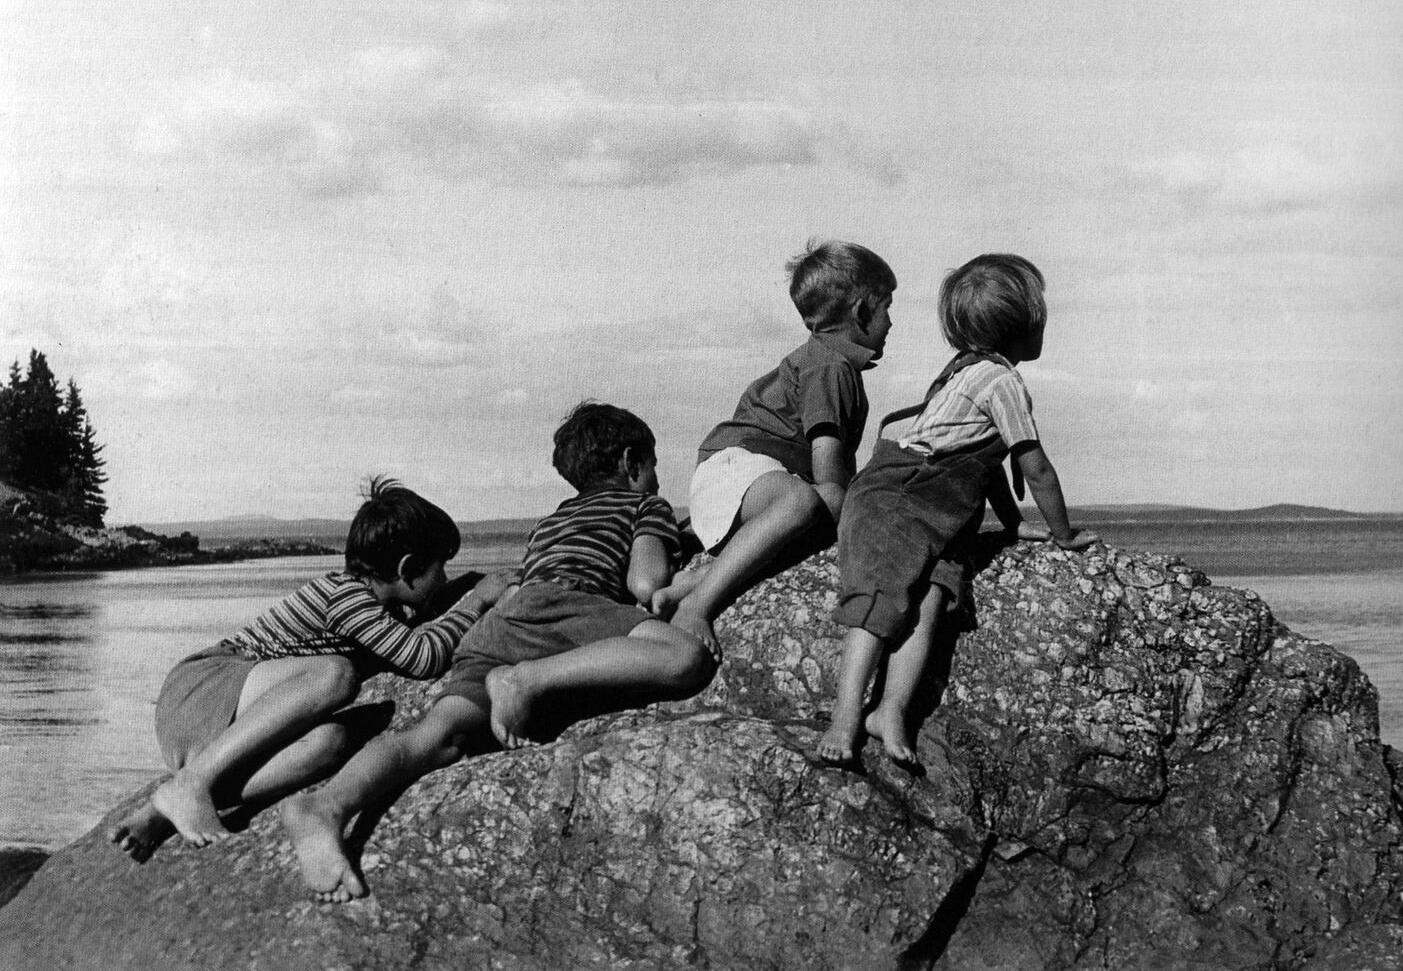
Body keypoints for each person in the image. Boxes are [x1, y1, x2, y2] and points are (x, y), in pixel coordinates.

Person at [280, 402, 713, 902]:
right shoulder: (645, 506)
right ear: (633, 461)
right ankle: (530, 679)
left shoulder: (551, 521)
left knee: (436, 736)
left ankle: (327, 806)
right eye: (655, 466)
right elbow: (645, 582)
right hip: (573, 606)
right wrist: (687, 574)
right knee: (684, 658)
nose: (658, 480)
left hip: (503, 622)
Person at [111, 478, 510, 860]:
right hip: (207, 686)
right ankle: (193, 781)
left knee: (329, 744)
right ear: (406, 569)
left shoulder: (377, 606)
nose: (445, 578)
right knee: (335, 675)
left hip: (227, 715)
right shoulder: (346, 597)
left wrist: (456, 596)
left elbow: (416, 630)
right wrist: (476, 603)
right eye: (441, 568)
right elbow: (422, 659)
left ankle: (167, 810)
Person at [818, 253, 1098, 767]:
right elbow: (1033, 467)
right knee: (879, 603)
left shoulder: (964, 373)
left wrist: (1014, 526)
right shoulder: (1001, 382)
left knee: (929, 604)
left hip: (934, 509)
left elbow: (982, 464)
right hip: (898, 496)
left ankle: (890, 711)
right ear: (1024, 327)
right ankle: (844, 719)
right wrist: (1062, 534)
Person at [651, 239, 897, 657]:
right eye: (887, 307)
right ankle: (697, 605)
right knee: (820, 504)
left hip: (745, 476)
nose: (891, 322)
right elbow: (827, 460)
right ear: (861, 312)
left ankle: (704, 578)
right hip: (736, 466)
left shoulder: (831, 362)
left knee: (822, 512)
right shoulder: (829, 366)